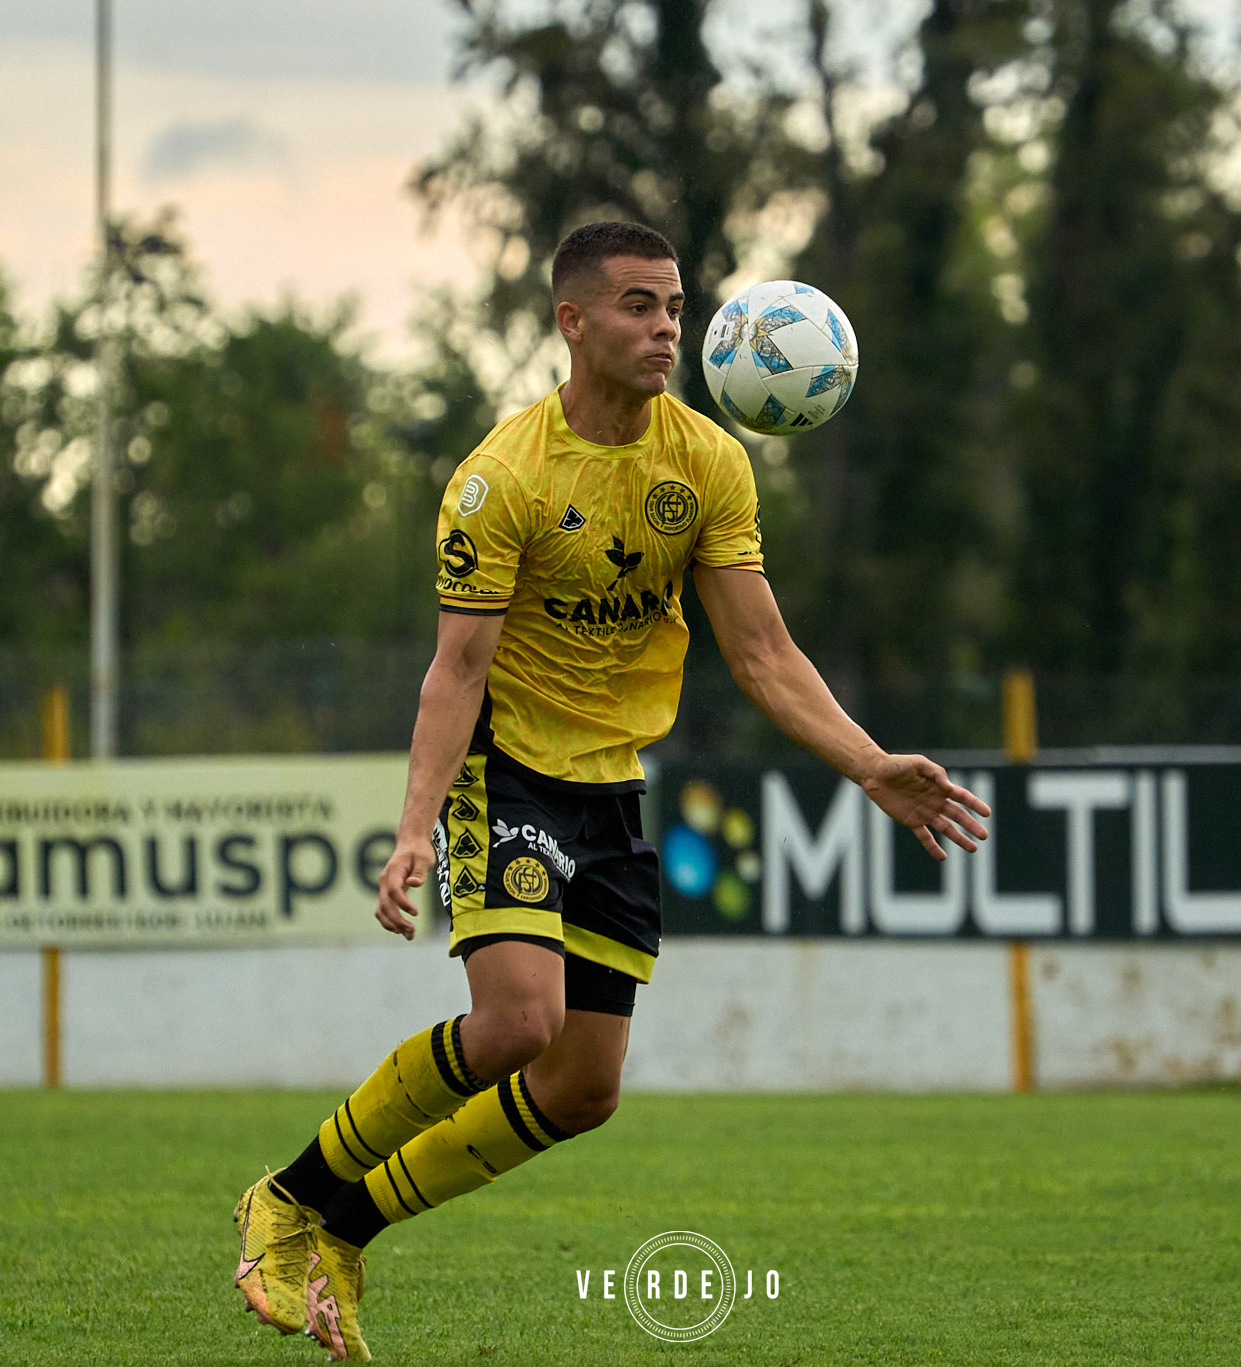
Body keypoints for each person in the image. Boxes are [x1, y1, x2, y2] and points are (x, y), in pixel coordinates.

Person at [230, 221, 991, 1360]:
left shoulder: (708, 461)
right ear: (570, 321)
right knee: (516, 1022)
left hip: (612, 788)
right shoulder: (500, 479)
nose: (666, 329)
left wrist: (867, 760)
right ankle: (288, 1198)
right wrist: (413, 828)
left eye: (675, 307)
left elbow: (764, 654)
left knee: (583, 1087)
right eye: (639, 306)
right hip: (509, 766)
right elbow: (456, 669)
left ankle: (348, 1225)